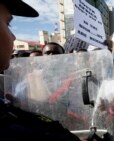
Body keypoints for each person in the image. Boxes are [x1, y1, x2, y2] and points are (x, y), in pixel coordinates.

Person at [0, 1, 80, 140]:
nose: (13, 36)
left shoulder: (74, 82)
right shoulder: (29, 80)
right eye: (8, 23)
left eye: (55, 54)